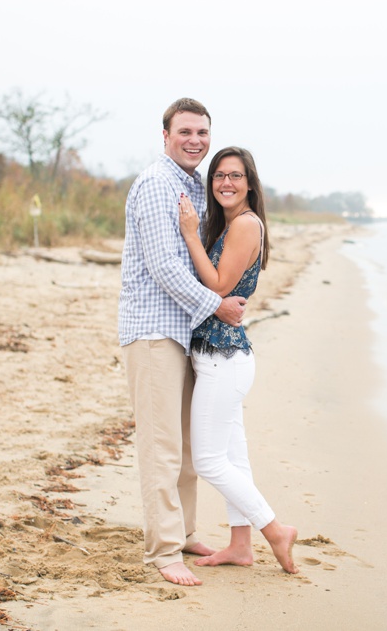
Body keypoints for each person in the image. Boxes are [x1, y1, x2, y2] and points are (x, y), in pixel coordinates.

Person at [118, 98, 247, 587]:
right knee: (162, 446)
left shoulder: (189, 183)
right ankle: (164, 549)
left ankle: (186, 531)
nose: (195, 140)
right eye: (185, 131)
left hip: (183, 330)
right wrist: (217, 305)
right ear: (166, 135)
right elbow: (165, 266)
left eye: (202, 133)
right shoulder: (156, 184)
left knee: (190, 445)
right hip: (154, 331)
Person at [178, 146, 299, 574]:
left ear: (250, 183)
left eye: (234, 176)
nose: (225, 183)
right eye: (218, 176)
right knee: (233, 456)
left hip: (222, 358)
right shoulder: (231, 225)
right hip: (223, 356)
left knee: (210, 460)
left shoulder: (246, 225)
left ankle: (275, 530)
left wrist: (190, 234)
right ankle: (240, 546)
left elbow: (218, 284)